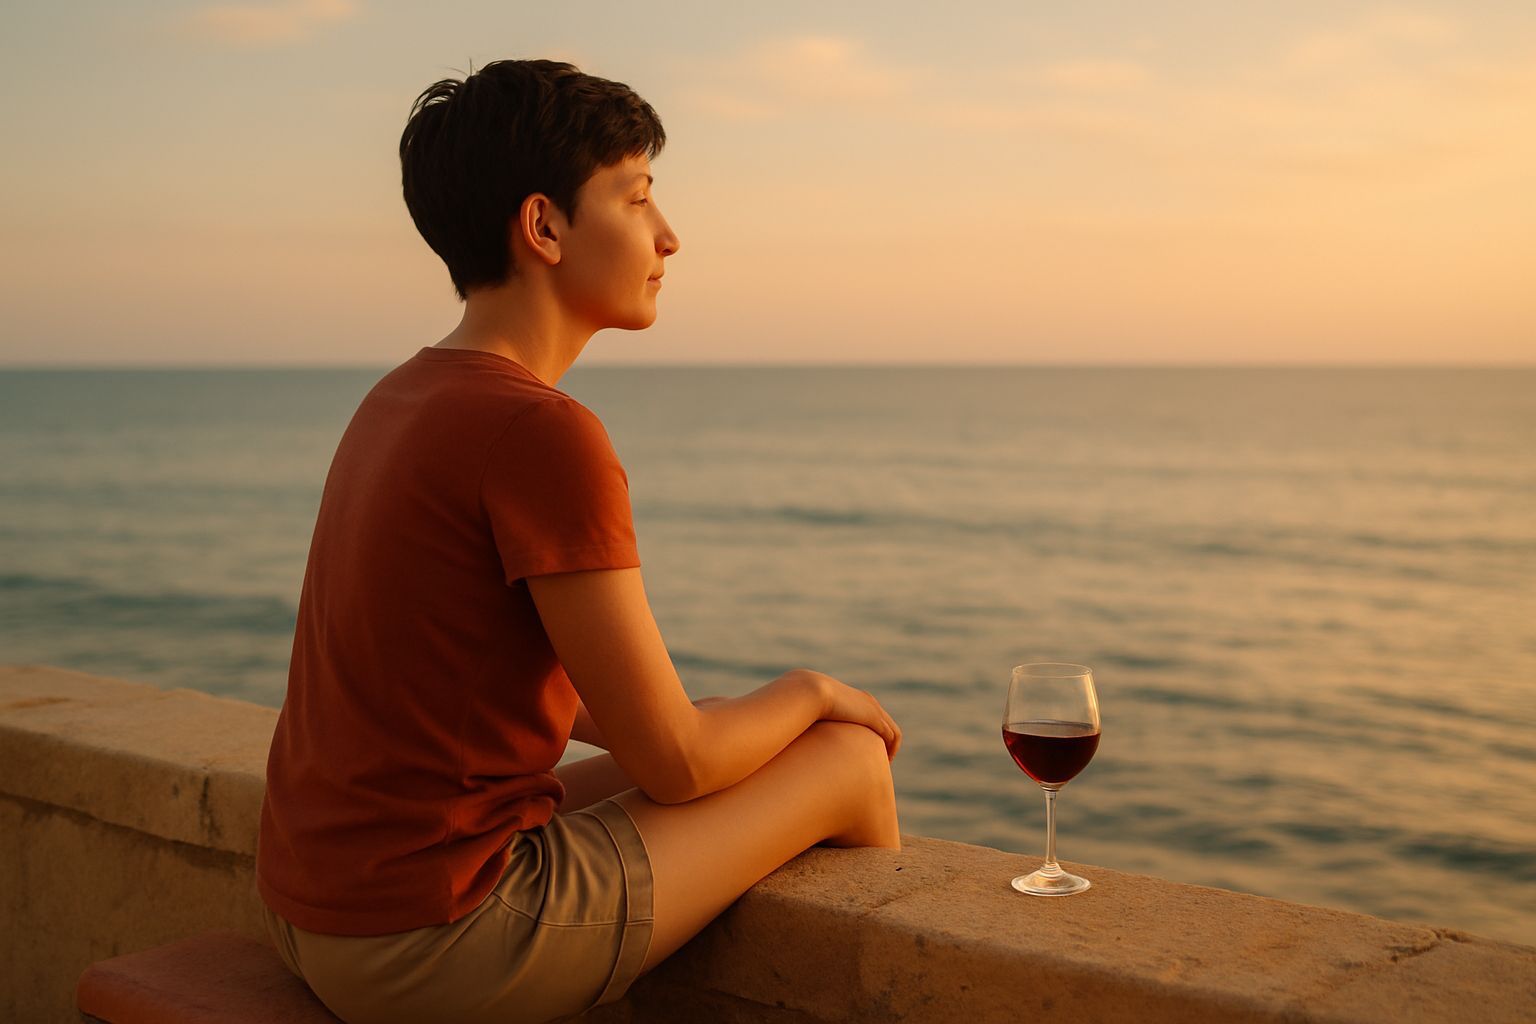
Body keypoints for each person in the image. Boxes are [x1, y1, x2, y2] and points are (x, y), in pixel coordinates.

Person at [255, 59, 902, 1024]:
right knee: (845, 753)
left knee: (731, 732)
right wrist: (810, 690)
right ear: (544, 227)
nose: (668, 234)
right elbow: (679, 763)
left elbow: (451, 682)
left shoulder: (401, 397)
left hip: (315, 911)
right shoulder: (540, 431)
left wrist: (701, 722)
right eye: (637, 198)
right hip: (433, 939)